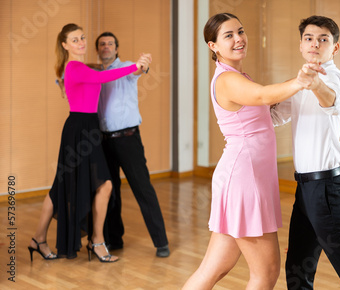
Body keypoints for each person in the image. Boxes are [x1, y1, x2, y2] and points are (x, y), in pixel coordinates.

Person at [181, 13, 321, 289]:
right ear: (213, 46)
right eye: (228, 35)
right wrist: (301, 80)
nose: (238, 39)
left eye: (240, 31)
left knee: (214, 269)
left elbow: (265, 109)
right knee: (266, 273)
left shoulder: (236, 75)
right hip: (244, 180)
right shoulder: (226, 80)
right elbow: (263, 96)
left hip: (246, 176)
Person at [271, 16, 340, 289]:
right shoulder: (299, 83)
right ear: (300, 45)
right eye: (309, 38)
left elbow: (331, 100)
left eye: (323, 39)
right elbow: (273, 116)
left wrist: (314, 83)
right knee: (297, 267)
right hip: (305, 190)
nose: (315, 44)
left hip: (329, 189)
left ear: (335, 47)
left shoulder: (333, 77)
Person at [28, 23, 150, 263]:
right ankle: (95, 241)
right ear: (64, 45)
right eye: (74, 40)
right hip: (79, 130)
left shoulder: (77, 67)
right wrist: (136, 66)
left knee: (66, 188)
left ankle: (40, 239)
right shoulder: (74, 67)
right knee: (97, 185)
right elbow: (104, 76)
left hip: (88, 128)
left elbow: (94, 73)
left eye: (82, 37)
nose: (81, 42)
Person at [94, 32, 170, 258]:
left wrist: (143, 65)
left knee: (142, 189)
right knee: (110, 191)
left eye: (110, 44)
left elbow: (139, 69)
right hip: (103, 141)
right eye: (102, 44)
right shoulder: (96, 74)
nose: (106, 47)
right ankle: (114, 239)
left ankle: (161, 242)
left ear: (116, 49)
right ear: (98, 50)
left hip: (128, 139)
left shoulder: (126, 68)